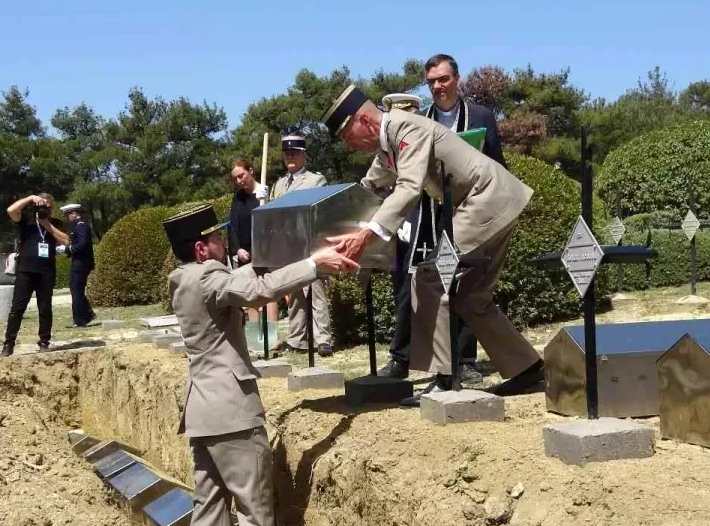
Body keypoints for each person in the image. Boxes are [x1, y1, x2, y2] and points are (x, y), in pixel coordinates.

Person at [164, 203, 357, 526]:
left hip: (201, 410)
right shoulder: (209, 276)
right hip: (232, 411)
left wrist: (263, 265)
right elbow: (255, 293)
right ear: (201, 248)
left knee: (209, 509)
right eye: (218, 239)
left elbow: (246, 282)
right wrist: (313, 263)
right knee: (254, 512)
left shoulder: (185, 280)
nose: (225, 244)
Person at [323, 85, 545, 404]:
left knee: (430, 277)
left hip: (484, 200)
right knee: (471, 296)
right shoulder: (387, 146)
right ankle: (528, 368)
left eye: (348, 137)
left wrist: (368, 234)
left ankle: (443, 379)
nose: (349, 147)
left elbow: (409, 187)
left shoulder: (405, 127)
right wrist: (329, 224)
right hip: (490, 201)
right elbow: (369, 189)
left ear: (365, 122)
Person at [380, 56, 507, 386]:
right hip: (428, 213)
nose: (438, 86)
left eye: (443, 79)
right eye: (432, 81)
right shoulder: (422, 120)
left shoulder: (480, 116)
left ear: (457, 79)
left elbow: (497, 167)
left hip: (469, 210)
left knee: (464, 282)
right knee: (414, 281)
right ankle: (402, 357)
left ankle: (464, 360)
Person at [269, 134, 333, 357]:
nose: (290, 157)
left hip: (310, 242)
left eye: (294, 153)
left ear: (304, 155)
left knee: (316, 291)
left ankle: (323, 338)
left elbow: (320, 210)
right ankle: (298, 338)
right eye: (287, 154)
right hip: (288, 246)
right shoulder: (277, 184)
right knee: (295, 292)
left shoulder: (316, 180)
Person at [0, 193, 69, 357]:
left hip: (46, 272)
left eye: (48, 206)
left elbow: (66, 240)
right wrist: (30, 198)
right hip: (26, 271)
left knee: (45, 308)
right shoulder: (26, 222)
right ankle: (9, 343)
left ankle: (44, 341)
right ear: (36, 207)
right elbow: (11, 210)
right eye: (42, 205)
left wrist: (47, 225)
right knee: (17, 308)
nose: (45, 209)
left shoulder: (55, 224)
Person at [228, 158, 277, 326]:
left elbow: (274, 221)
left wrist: (267, 201)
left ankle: (272, 337)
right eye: (235, 178)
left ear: (251, 171)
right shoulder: (238, 197)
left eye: (241, 175)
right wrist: (238, 249)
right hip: (245, 253)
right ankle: (256, 338)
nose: (239, 181)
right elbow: (233, 224)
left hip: (264, 250)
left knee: (268, 292)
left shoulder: (266, 192)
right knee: (250, 294)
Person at [58, 203, 96, 329]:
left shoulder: (81, 226)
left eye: (68, 215)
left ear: (74, 213)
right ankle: (87, 314)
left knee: (76, 290)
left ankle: (80, 320)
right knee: (76, 289)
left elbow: (82, 244)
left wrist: (67, 249)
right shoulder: (79, 226)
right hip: (80, 262)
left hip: (81, 263)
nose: (68, 218)